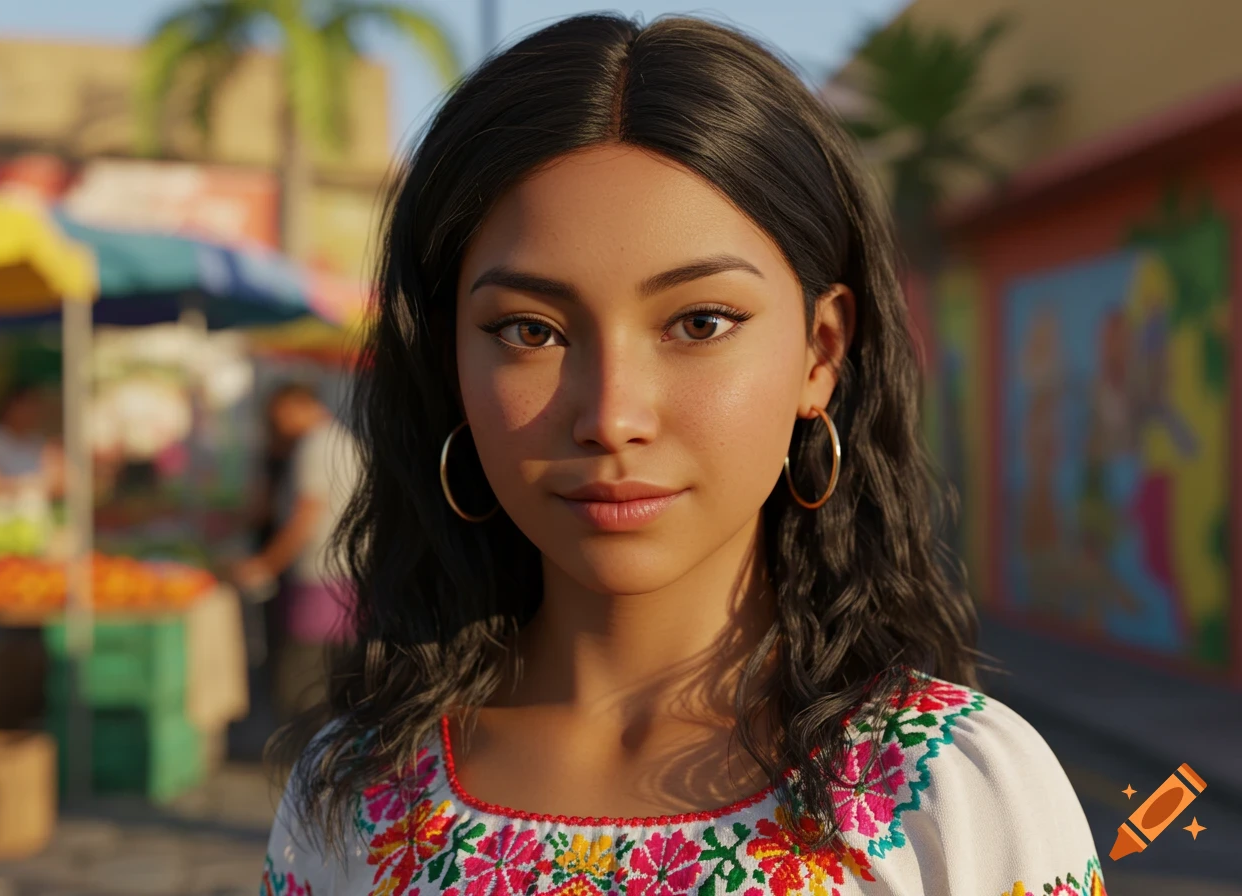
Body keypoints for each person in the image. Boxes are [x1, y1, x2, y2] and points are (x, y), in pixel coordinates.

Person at [261, 15, 1106, 896]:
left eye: (700, 323)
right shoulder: (355, 794)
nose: (612, 416)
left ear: (820, 353)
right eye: (530, 330)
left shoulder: (949, 792)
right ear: (451, 363)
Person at [234, 382, 358, 719]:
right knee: (329, 683)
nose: (277, 426)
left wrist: (266, 564)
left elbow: (305, 516)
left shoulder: (315, 446)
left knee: (304, 688)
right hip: (340, 577)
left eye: (279, 416)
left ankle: (305, 760)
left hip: (319, 580)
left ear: (298, 406)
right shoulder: (335, 440)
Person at [0, 383, 63, 506]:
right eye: (27, 406)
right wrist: (33, 485)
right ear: (10, 407)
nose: (33, 412)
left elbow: (62, 484)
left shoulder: (38, 443)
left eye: (36, 406)